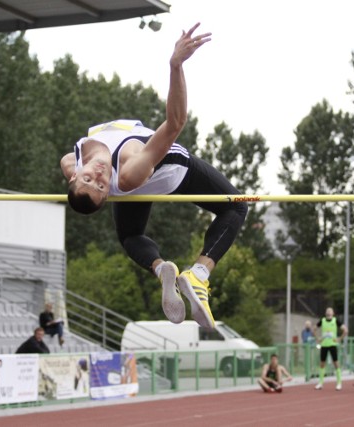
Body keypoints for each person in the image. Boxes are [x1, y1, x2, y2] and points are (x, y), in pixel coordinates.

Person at [60, 23, 247, 330]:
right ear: (108, 194)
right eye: (101, 185)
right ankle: (198, 275)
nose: (98, 175)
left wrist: (83, 182)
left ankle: (162, 271)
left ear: (74, 175)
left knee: (129, 236)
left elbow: (67, 162)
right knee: (237, 206)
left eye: (89, 179)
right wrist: (175, 66)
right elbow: (175, 123)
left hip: (137, 179)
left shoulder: (72, 160)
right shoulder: (129, 170)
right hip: (172, 170)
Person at [314, 307, 348, 391]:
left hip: (333, 344)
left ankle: (339, 383)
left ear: (333, 313)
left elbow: (346, 330)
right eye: (327, 311)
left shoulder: (335, 321)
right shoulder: (322, 321)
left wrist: (340, 339)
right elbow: (313, 329)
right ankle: (320, 383)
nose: (328, 312)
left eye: (330, 311)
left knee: (336, 363)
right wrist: (318, 339)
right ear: (325, 313)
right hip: (324, 345)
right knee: (322, 363)